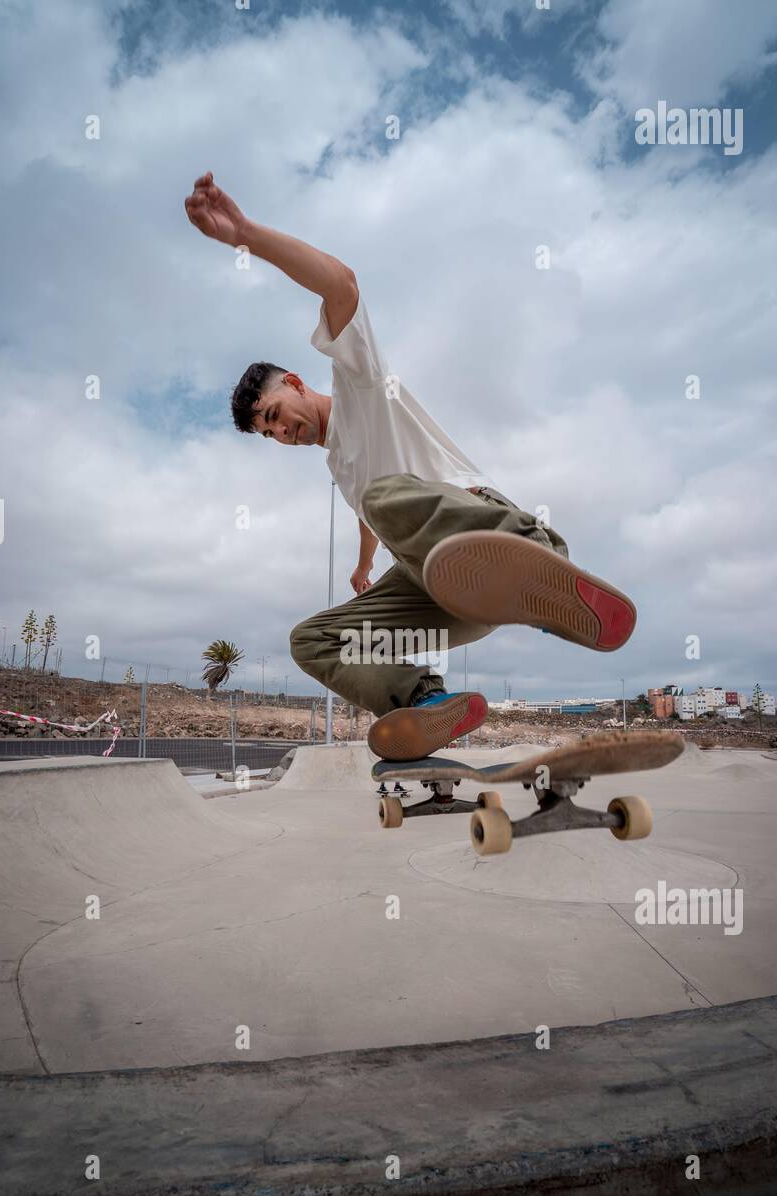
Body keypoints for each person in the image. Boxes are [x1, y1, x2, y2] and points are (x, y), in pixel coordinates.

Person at [185, 172, 636, 761]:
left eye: (275, 413)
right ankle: (423, 703)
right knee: (314, 640)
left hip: (481, 531)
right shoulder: (342, 465)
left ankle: (541, 566)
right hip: (442, 589)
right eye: (268, 433)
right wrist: (363, 565)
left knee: (382, 496)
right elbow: (369, 514)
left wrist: (246, 234)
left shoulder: (359, 385)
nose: (280, 432)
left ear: (295, 382)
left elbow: (341, 283)